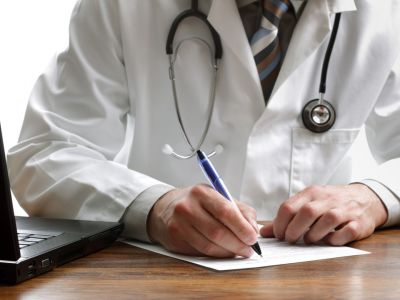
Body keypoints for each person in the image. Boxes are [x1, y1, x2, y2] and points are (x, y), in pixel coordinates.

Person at [7, 0, 400, 258]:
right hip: (159, 279)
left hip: (326, 280)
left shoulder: (385, 10)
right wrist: (151, 207)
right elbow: (44, 152)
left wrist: (375, 196)